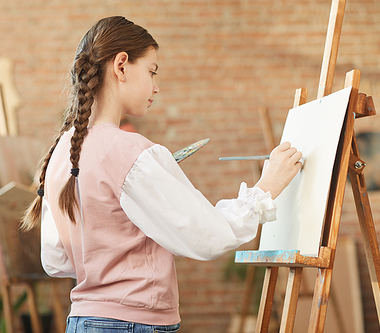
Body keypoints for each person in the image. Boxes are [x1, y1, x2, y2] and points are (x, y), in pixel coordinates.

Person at [22, 16, 302, 333]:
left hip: (82, 321)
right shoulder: (128, 151)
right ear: (122, 65)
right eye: (152, 71)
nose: (157, 86)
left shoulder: (62, 152)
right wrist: (266, 187)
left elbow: (56, 262)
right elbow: (209, 235)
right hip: (131, 323)